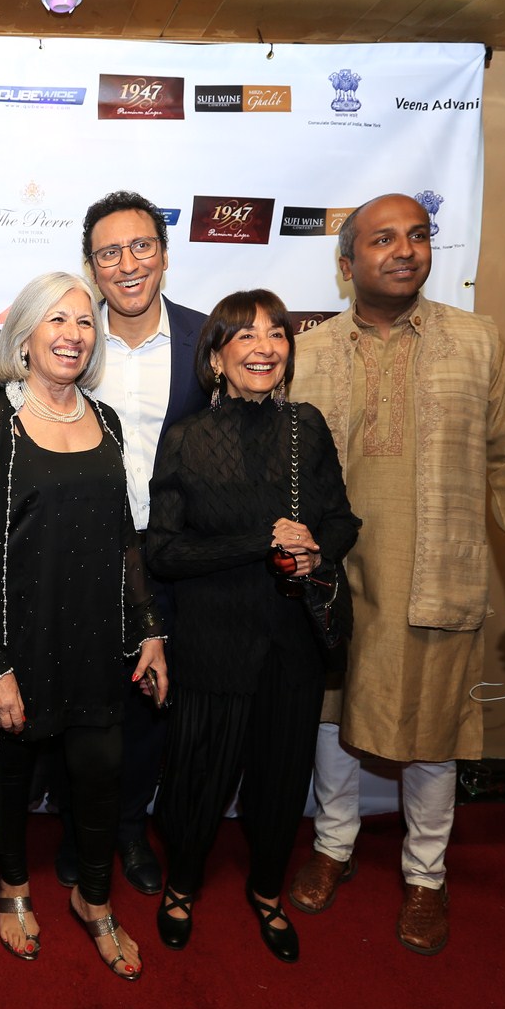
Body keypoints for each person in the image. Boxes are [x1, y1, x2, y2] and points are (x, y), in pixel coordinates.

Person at [287, 193, 505, 955]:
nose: (405, 250)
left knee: (434, 727)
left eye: (417, 235)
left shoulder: (476, 342)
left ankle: (425, 874)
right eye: (383, 238)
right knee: (331, 718)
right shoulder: (307, 353)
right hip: (335, 579)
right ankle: (333, 845)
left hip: (435, 571)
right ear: (347, 261)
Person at [0, 271, 169, 981]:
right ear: (25, 337)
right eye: (56, 320)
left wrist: (149, 629)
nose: (73, 335)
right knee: (13, 776)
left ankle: (93, 897)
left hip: (96, 641)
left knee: (101, 772)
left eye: (83, 321)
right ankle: (13, 887)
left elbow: (125, 538)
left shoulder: (107, 421)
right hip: (23, 639)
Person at [146, 290, 360, 963]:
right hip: (213, 642)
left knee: (281, 778)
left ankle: (267, 890)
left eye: (277, 333)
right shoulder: (186, 439)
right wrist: (260, 542)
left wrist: (316, 549)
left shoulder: (306, 427)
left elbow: (342, 519)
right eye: (246, 335)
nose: (265, 347)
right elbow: (163, 551)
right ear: (216, 357)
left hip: (292, 642)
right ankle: (182, 884)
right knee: (197, 778)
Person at [52, 190, 207, 896]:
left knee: (151, 701)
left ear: (164, 255)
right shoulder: (70, 340)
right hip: (83, 554)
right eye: (109, 252)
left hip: (172, 557)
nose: (127, 263)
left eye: (141, 246)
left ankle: (128, 826)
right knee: (78, 701)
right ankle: (75, 827)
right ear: (91, 266)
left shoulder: (207, 340)